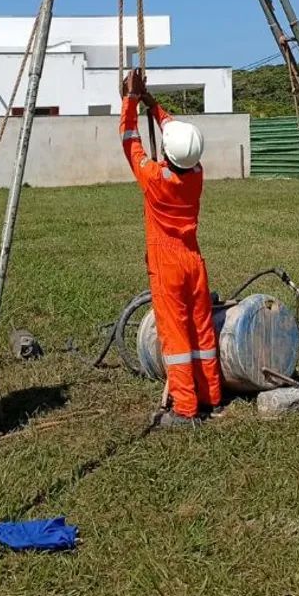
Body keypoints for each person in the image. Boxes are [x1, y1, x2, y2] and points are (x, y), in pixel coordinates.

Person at [119, 70, 223, 428]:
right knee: (202, 328)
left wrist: (130, 100)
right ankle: (211, 394)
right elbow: (180, 137)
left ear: (166, 151)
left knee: (176, 335)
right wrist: (152, 103)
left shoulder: (154, 178)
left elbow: (129, 139)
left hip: (168, 264)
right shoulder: (197, 174)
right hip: (194, 260)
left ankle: (186, 408)